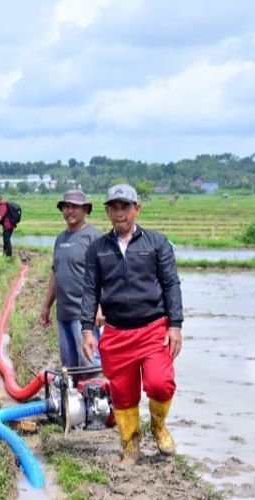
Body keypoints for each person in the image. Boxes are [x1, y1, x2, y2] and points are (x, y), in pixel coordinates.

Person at [80, 184, 183, 465]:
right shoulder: (98, 249)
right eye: (114, 207)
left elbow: (171, 284)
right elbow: (90, 290)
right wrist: (87, 329)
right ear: (108, 211)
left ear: (137, 209)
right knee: (123, 393)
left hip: (153, 329)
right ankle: (130, 445)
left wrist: (175, 325)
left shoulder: (157, 244)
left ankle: (159, 428)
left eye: (125, 206)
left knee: (160, 383)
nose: (119, 212)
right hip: (116, 332)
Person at [40, 189, 102, 368]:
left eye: (75, 207)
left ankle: (95, 395)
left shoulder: (93, 236)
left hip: (85, 315)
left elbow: (104, 275)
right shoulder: (60, 238)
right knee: (69, 367)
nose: (69, 211)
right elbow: (55, 273)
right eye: (66, 207)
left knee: (90, 365)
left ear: (85, 210)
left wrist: (99, 307)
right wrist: (46, 305)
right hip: (63, 313)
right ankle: (74, 396)